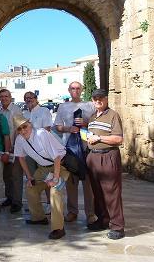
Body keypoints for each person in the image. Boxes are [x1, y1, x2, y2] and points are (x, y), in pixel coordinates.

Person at [13, 116, 69, 240]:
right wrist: (29, 177)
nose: (23, 130)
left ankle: (58, 228)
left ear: (30, 124)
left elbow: (57, 158)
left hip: (59, 166)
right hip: (43, 169)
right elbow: (20, 157)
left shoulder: (41, 134)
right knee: (31, 188)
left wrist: (55, 178)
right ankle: (39, 218)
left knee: (55, 192)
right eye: (19, 129)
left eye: (24, 126)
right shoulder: (20, 139)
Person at [54, 81, 96, 224]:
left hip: (86, 148)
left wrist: (86, 124)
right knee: (71, 182)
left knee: (88, 183)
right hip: (70, 148)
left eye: (78, 88)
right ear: (69, 90)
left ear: (82, 90)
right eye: (73, 88)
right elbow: (57, 126)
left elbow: (96, 124)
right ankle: (72, 211)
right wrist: (68, 129)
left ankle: (90, 213)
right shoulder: (63, 107)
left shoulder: (90, 106)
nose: (75, 90)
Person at [86, 89, 125, 240]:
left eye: (100, 98)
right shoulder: (92, 117)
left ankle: (117, 226)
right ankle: (102, 220)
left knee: (112, 193)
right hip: (93, 158)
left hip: (108, 156)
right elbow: (91, 136)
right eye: (95, 98)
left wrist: (99, 139)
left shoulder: (113, 115)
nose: (98, 100)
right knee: (98, 193)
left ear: (106, 99)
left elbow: (118, 139)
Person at [0, 88, 23, 213]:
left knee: (16, 175)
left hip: (14, 148)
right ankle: (9, 197)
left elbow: (20, 129)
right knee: (6, 175)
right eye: (1, 96)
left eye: (6, 96)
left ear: (10, 97)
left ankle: (17, 202)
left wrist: (15, 147)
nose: (4, 98)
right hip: (3, 148)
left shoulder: (16, 110)